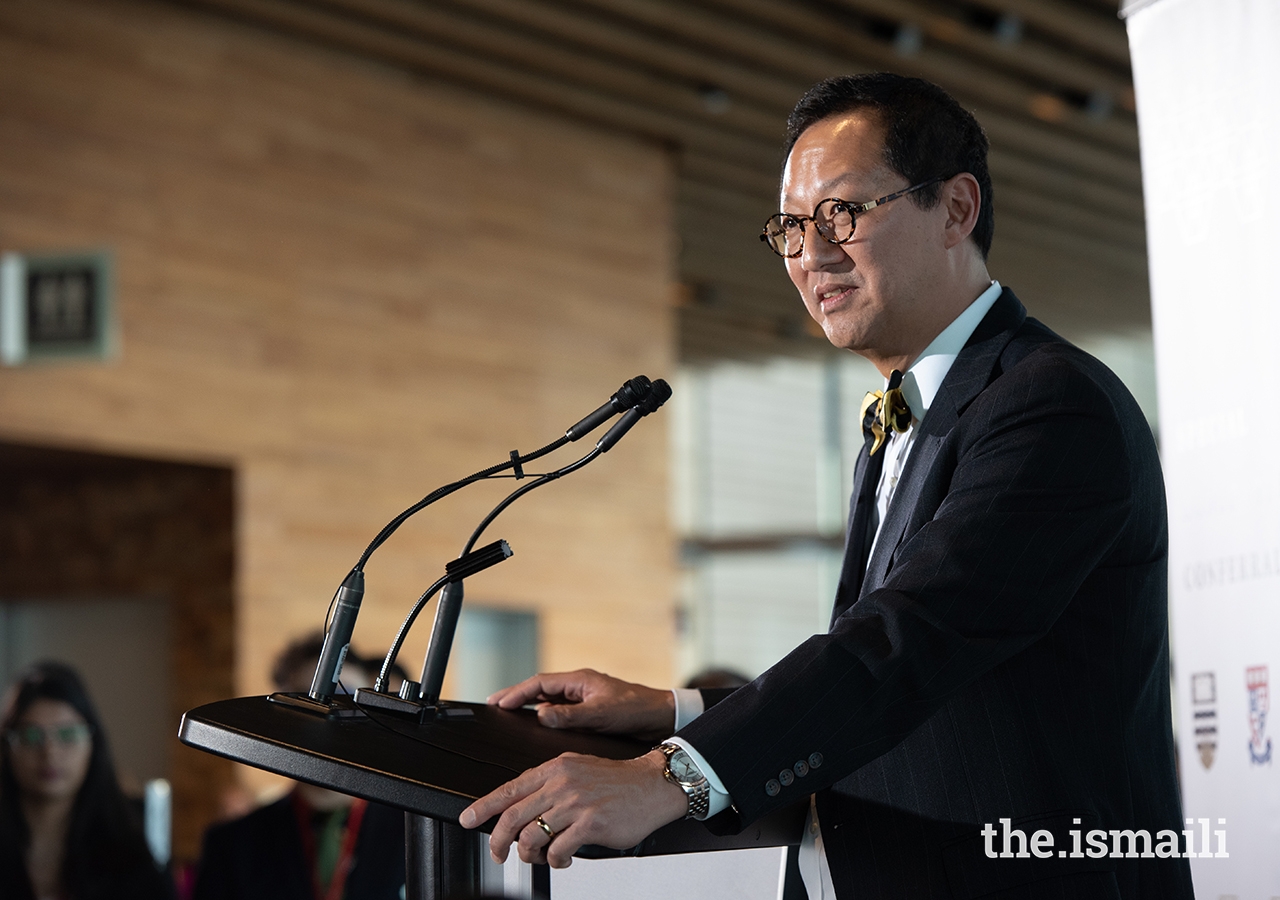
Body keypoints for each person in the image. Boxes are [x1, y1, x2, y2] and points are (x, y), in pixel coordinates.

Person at [459, 73, 1194, 899]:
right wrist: (677, 710)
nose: (812, 252)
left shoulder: (1050, 402)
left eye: (843, 213)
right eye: (791, 227)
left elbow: (915, 640)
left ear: (956, 208)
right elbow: (917, 679)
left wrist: (671, 777)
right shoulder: (907, 412)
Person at [192, 635, 407, 900]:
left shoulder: (415, 838)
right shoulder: (234, 845)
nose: (329, 717)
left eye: (347, 699)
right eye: (308, 701)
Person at [0, 661, 174, 900]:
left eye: (67, 734)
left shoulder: (129, 849)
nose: (50, 752)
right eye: (31, 735)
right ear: (7, 746)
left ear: (92, 743)